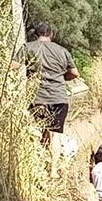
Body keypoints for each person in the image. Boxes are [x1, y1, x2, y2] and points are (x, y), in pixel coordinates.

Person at [14, 21, 79, 179]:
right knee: (55, 134)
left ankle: (37, 166)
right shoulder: (62, 51)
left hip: (37, 98)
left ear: (36, 34)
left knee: (37, 131)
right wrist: (61, 78)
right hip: (58, 98)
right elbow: (75, 73)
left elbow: (13, 65)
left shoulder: (28, 48)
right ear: (51, 34)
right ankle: (53, 170)